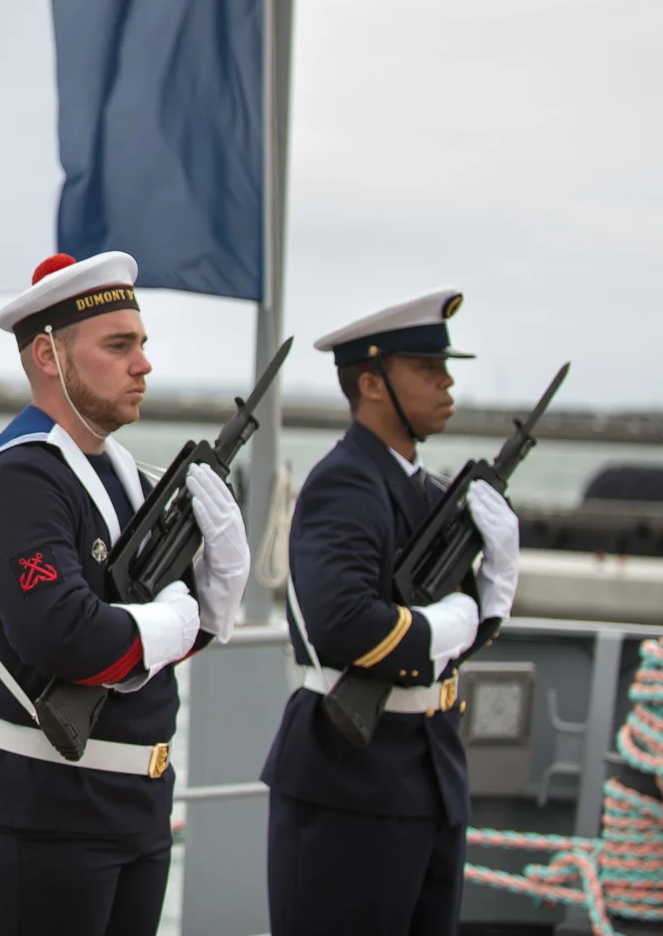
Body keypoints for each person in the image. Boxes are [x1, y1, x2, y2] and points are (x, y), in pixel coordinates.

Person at [0, 252, 252, 936]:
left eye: (141, 344)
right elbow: (70, 638)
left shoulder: (129, 479)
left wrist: (217, 584)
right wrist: (181, 616)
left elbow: (168, 637)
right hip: (47, 804)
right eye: (118, 346)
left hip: (138, 799)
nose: (143, 364)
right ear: (48, 355)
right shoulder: (18, 481)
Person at [261, 289, 522, 936]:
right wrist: (451, 622)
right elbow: (343, 621)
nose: (447, 382)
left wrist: (494, 589)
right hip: (351, 780)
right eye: (427, 369)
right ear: (372, 383)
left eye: (445, 368)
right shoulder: (346, 481)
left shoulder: (423, 489)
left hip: (428, 770)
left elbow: (449, 639)